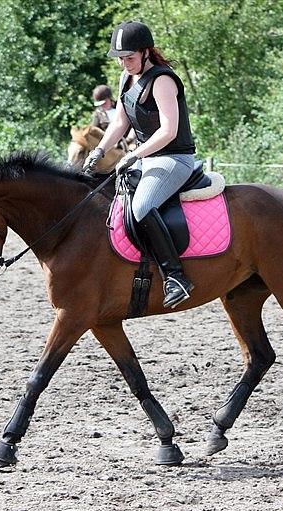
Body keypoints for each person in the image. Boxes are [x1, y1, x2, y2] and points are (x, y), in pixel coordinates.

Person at [84, 20, 196, 309]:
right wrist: (99, 150)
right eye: (120, 58)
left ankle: (175, 276)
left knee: (142, 207)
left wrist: (134, 155)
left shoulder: (163, 80)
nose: (125, 63)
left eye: (130, 58)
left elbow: (169, 130)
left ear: (146, 52)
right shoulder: (126, 79)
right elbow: (120, 122)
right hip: (147, 157)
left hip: (173, 158)